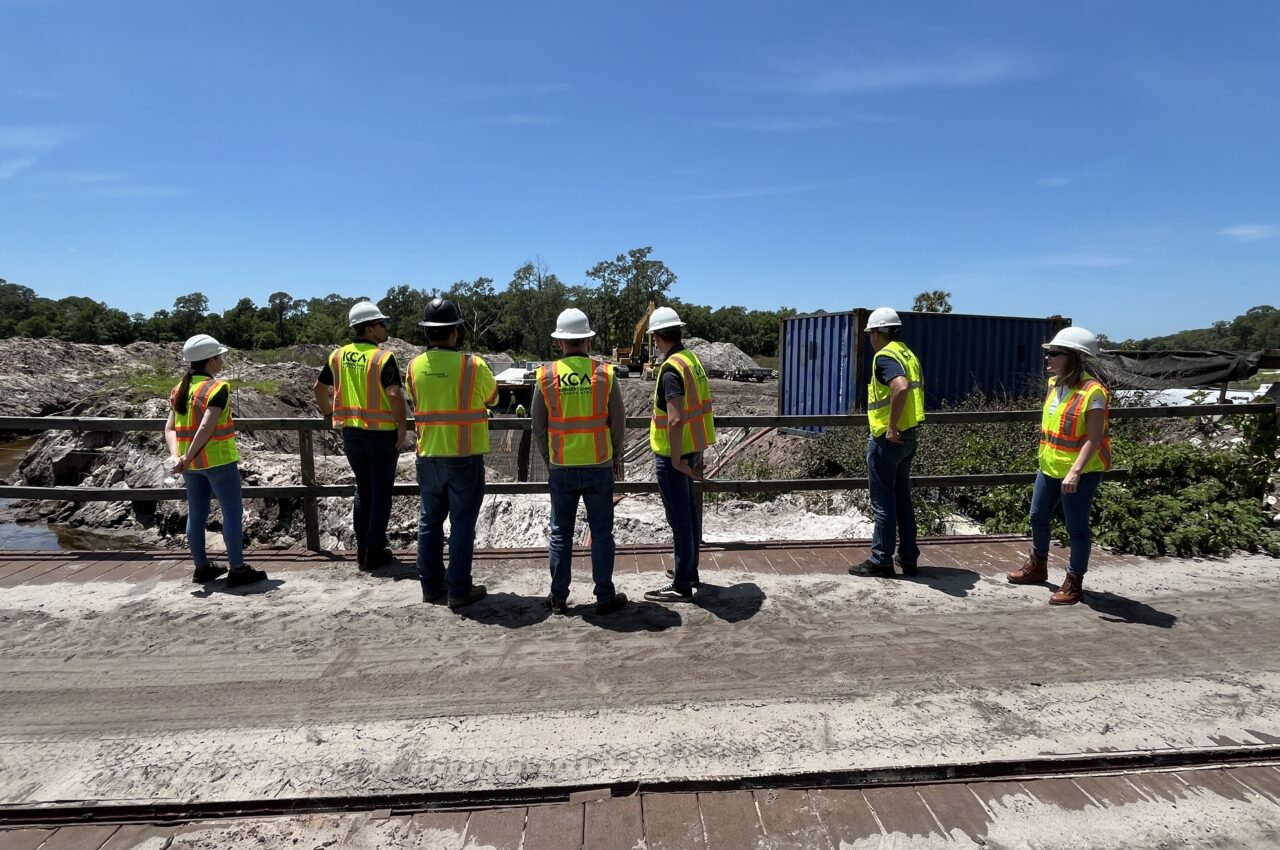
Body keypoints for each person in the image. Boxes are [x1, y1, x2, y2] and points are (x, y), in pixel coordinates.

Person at [531, 308, 628, 616]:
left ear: (560, 342)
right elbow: (618, 422)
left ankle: (558, 598)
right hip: (599, 464)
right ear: (588, 339)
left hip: (561, 466)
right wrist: (615, 456)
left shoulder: (545, 376)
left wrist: (550, 458)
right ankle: (604, 596)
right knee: (601, 533)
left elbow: (538, 426)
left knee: (560, 532)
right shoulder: (605, 374)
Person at [1007, 326, 1110, 605]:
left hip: (1080, 471)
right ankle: (1038, 566)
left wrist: (1075, 471)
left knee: (1076, 528)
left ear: (1073, 356)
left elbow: (1095, 437)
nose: (1047, 358)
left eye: (1054, 353)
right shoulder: (1055, 385)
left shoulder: (1094, 392)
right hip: (1050, 465)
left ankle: (1074, 581)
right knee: (1037, 516)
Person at [405, 297, 496, 610]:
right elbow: (493, 397)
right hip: (464, 457)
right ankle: (458, 590)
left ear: (427, 333)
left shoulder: (413, 367)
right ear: (455, 332)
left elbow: (413, 398)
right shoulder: (473, 365)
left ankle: (430, 587)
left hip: (427, 455)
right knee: (461, 525)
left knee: (429, 522)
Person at [164, 334, 267, 587]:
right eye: (219, 356)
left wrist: (177, 456)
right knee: (232, 513)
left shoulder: (180, 388)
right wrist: (186, 456)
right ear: (210, 360)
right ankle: (238, 569)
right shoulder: (217, 388)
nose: (221, 360)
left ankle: (202, 568)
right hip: (218, 461)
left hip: (191, 466)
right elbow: (207, 427)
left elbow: (170, 428)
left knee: (196, 514)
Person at [313, 301, 408, 572]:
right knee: (380, 494)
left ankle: (362, 550)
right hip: (380, 436)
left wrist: (328, 414)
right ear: (369, 329)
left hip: (351, 435)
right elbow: (393, 394)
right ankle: (375, 551)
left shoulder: (338, 356)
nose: (386, 327)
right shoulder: (382, 357)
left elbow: (319, 388)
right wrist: (402, 426)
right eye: (382, 324)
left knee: (363, 490)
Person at [643, 307, 717, 602]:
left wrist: (676, 461)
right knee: (688, 513)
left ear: (658, 336)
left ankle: (682, 583)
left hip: (676, 455)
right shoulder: (691, 360)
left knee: (680, 519)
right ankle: (688, 570)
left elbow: (674, 419)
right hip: (692, 447)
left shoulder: (672, 369)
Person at [850, 307, 925, 578]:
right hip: (909, 436)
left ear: (878, 333)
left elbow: (901, 386)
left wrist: (890, 427)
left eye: (871, 333)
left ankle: (881, 559)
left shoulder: (884, 357)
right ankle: (908, 558)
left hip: (888, 439)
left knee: (883, 503)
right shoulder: (907, 353)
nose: (870, 338)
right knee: (902, 500)